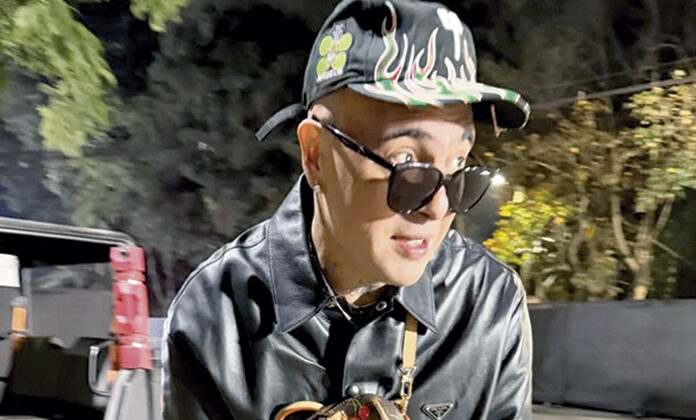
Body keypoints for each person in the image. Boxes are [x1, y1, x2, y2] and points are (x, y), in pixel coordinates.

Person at [162, 0, 533, 419]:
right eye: (406, 162)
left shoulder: (489, 305)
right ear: (315, 154)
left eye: (459, 165)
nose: (439, 207)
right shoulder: (213, 314)